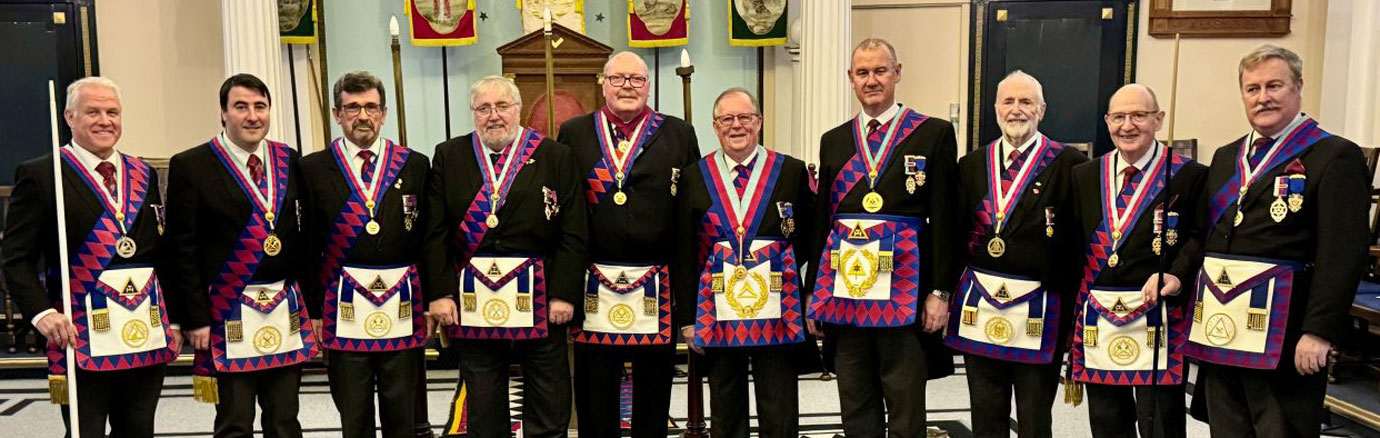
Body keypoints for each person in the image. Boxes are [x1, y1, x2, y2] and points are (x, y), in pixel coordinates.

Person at [1187, 44, 1369, 438]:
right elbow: (1204, 237)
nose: (1263, 97)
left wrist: (1319, 331)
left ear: (1298, 87)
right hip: (1222, 328)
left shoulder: (1333, 155)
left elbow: (1342, 254)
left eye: (1274, 85)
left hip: (1284, 338)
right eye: (1252, 89)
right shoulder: (1225, 157)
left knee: (1278, 431)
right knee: (1227, 429)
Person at [1, 76, 180, 437]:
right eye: (93, 112)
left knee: (139, 430)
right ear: (69, 116)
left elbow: (161, 253)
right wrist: (42, 313)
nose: (105, 121)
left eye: (112, 112)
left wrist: (172, 320)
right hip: (80, 332)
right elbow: (16, 258)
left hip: (142, 329)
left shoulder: (143, 173)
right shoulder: (41, 174)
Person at [804, 38, 961, 438]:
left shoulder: (932, 134)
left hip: (906, 294)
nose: (871, 80)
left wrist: (940, 292)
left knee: (906, 402)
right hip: (846, 294)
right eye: (862, 73)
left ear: (897, 73)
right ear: (851, 80)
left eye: (880, 71)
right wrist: (813, 295)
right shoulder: (834, 140)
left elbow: (946, 219)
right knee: (855, 398)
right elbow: (824, 222)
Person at [423, 75, 587, 438]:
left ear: (517, 110)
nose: (493, 116)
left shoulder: (554, 155)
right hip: (473, 302)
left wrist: (563, 293)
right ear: (473, 113)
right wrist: (440, 293)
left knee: (548, 400)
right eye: (483, 108)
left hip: (542, 300)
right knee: (483, 403)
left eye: (502, 107)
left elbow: (574, 232)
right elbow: (435, 233)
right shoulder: (449, 155)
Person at [163, 73, 317, 438]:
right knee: (235, 422)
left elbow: (306, 238)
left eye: (260, 107)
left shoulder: (289, 160)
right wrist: (194, 318)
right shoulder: (191, 165)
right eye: (241, 107)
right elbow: (180, 249)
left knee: (284, 420)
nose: (252, 116)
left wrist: (313, 306)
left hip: (284, 311)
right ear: (222, 113)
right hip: (226, 314)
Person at [557, 51, 700, 438]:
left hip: (658, 283)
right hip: (594, 285)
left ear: (648, 86)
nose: (627, 87)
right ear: (602, 83)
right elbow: (567, 216)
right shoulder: (575, 133)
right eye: (618, 79)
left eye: (636, 80)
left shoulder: (678, 133)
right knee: (594, 395)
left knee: (653, 395)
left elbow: (690, 216)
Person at [944, 70, 1088, 438]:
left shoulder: (1070, 165)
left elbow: (1078, 246)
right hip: (981, 306)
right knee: (986, 414)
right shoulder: (972, 164)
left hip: (1041, 312)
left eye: (1026, 102)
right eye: (1008, 101)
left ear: (1042, 110)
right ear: (995, 109)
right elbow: (954, 236)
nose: (1016, 110)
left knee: (1035, 417)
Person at [1068, 84, 1207, 438]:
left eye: (1139, 116)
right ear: (1107, 122)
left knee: (1160, 423)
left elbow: (1199, 237)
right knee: (1107, 422)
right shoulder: (1085, 176)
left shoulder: (1187, 175)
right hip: (1100, 318)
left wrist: (1176, 274)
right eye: (1119, 117)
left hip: (1158, 316)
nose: (1127, 125)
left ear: (1158, 120)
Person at [673, 87, 814, 438]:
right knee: (725, 406)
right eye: (727, 119)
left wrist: (781, 272)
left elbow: (812, 236)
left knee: (779, 404)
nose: (737, 126)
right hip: (717, 310)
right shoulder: (694, 176)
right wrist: (689, 320)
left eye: (745, 118)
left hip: (779, 309)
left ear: (759, 122)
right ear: (715, 126)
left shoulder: (790, 171)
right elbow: (684, 251)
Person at [299, 71, 431, 438]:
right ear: (337, 114)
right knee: (353, 417)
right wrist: (312, 311)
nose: (363, 116)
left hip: (402, 308)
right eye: (352, 107)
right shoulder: (312, 169)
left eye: (371, 107)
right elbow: (307, 248)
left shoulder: (413, 164)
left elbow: (428, 239)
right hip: (342, 311)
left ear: (384, 113)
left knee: (401, 415)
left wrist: (431, 299)